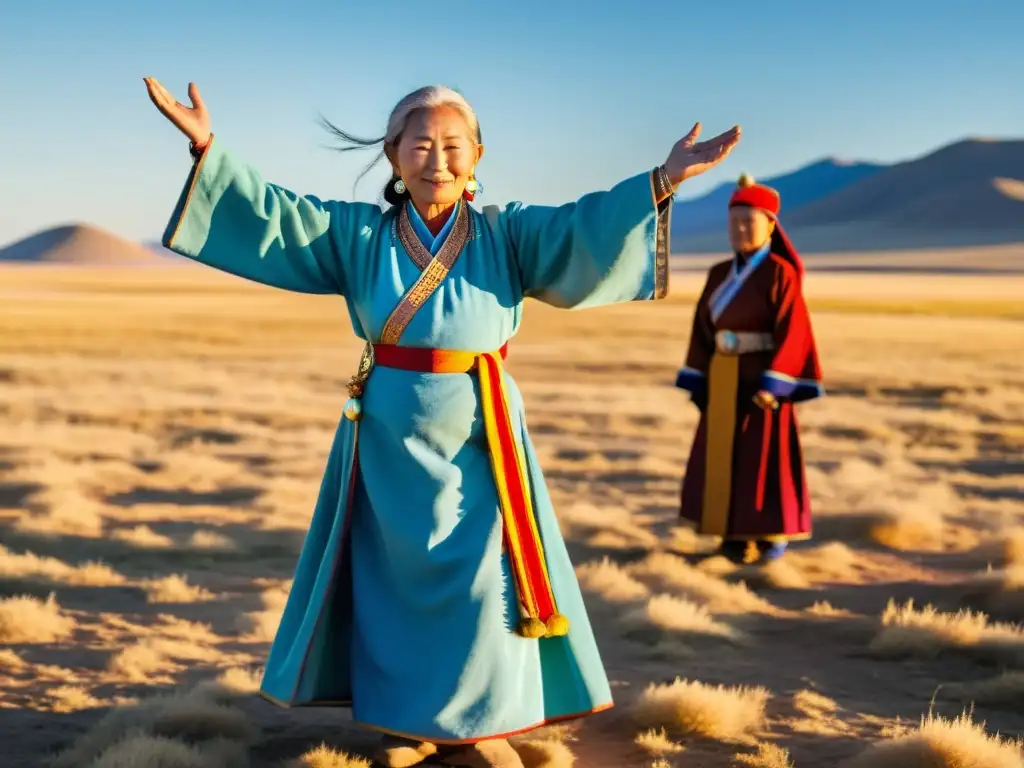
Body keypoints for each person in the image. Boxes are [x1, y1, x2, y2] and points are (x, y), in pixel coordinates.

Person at [143, 78, 740, 767]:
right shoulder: (356, 234)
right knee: (393, 579)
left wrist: (661, 181)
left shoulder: (509, 233)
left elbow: (584, 227)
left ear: (478, 154)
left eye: (453, 145)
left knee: (486, 579)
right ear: (393, 155)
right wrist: (208, 149)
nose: (438, 159)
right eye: (420, 144)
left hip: (482, 434)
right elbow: (276, 215)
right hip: (389, 439)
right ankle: (409, 723)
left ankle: (480, 725)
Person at [674, 173, 823, 566]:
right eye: (734, 222)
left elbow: (794, 332)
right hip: (723, 377)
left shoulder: (780, 274)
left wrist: (775, 382)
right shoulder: (718, 273)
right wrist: (700, 378)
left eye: (749, 221)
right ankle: (729, 534)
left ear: (771, 224)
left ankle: (769, 534)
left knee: (763, 457)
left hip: (761, 382)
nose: (740, 229)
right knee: (723, 455)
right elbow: (702, 327)